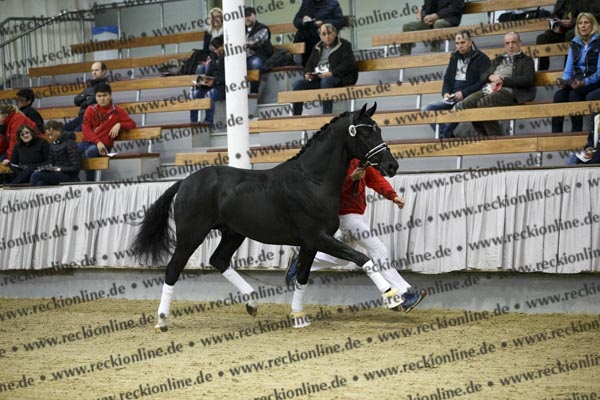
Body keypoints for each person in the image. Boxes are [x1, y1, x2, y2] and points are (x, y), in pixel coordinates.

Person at [286, 159, 426, 313]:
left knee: (340, 259)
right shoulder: (336, 162)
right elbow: (329, 190)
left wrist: (393, 196)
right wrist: (351, 178)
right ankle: (404, 294)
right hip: (347, 218)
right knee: (379, 250)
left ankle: (301, 261)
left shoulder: (361, 161)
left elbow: (376, 180)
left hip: (355, 217)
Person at [457, 32, 536, 136]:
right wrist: (490, 76)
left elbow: (527, 80)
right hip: (491, 88)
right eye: (507, 43)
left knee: (485, 102)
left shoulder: (526, 60)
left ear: (520, 43)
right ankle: (484, 135)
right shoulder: (499, 59)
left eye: (513, 42)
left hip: (511, 90)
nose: (510, 46)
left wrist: (503, 81)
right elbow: (484, 75)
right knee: (468, 102)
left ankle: (495, 137)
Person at [422, 30, 490, 138]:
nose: (460, 46)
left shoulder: (482, 58)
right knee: (426, 109)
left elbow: (483, 82)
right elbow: (447, 79)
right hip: (452, 97)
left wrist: (463, 93)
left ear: (470, 42)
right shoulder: (454, 58)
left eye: (463, 42)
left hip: (468, 96)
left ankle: (444, 137)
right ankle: (447, 136)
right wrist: (446, 93)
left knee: (458, 106)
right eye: (457, 43)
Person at [292, 23, 358, 116]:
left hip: (340, 76)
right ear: (320, 36)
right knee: (298, 85)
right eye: (324, 34)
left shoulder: (344, 45)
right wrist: (307, 74)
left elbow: (348, 64)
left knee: (326, 82)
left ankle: (326, 115)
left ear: (335, 33)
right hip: (320, 77)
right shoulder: (317, 47)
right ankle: (296, 116)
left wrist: (331, 73)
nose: (327, 36)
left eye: (329, 33)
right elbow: (309, 64)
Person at [552, 13, 600, 133]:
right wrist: (564, 80)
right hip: (577, 81)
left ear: (593, 25)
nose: (583, 26)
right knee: (559, 96)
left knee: (574, 94)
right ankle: (555, 134)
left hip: (594, 81)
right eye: (580, 23)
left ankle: (576, 132)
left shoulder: (598, 42)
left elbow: (599, 72)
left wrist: (584, 82)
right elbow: (568, 69)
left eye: (586, 23)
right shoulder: (574, 43)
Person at [79, 82, 136, 181]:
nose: (102, 99)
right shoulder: (90, 109)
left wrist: (119, 124)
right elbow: (85, 128)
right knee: (73, 152)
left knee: (90, 152)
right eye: (99, 96)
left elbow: (132, 124)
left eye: (105, 95)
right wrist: (98, 142)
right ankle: (74, 179)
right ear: (95, 97)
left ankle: (90, 181)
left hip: (105, 146)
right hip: (89, 142)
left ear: (110, 96)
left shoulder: (118, 111)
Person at [537, 1, 600, 70]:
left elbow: (594, 15)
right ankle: (542, 71)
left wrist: (572, 22)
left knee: (569, 35)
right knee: (542, 38)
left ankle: (568, 69)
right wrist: (556, 23)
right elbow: (554, 15)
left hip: (579, 29)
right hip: (562, 30)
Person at [293, 0, 344, 66]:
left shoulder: (332, 3)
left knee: (315, 37)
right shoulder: (307, 2)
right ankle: (301, 62)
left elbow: (340, 22)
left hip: (323, 34)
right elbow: (296, 21)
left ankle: (309, 65)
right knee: (301, 34)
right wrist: (302, 20)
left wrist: (323, 23)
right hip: (307, 33)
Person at [30, 121, 80, 186]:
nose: (50, 137)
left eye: (51, 134)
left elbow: (75, 167)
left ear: (58, 130)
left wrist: (58, 169)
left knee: (36, 175)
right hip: (57, 173)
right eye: (48, 135)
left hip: (69, 176)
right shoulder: (52, 145)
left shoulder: (70, 143)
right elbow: (51, 163)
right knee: (40, 183)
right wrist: (46, 168)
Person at [190, 36, 226, 127]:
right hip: (211, 85)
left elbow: (228, 77)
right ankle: (193, 122)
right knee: (194, 94)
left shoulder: (228, 58)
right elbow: (210, 73)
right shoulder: (213, 56)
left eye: (217, 48)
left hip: (222, 87)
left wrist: (215, 81)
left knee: (209, 95)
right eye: (214, 49)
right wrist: (203, 80)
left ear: (223, 46)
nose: (216, 51)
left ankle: (208, 122)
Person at [64, 61, 109, 132]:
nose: (94, 73)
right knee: (63, 129)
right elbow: (76, 100)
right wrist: (85, 98)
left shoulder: (104, 86)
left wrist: (84, 100)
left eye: (97, 70)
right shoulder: (89, 86)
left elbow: (91, 101)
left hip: (92, 118)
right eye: (92, 70)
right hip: (82, 116)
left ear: (103, 72)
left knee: (74, 133)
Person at [244, 7, 274, 94]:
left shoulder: (263, 28)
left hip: (259, 56)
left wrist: (240, 42)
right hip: (243, 58)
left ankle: (254, 92)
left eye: (249, 15)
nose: (247, 18)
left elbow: (255, 41)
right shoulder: (240, 30)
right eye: (245, 16)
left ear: (255, 16)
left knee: (255, 63)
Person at [196, 7, 223, 76]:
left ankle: (211, 82)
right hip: (210, 57)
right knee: (200, 68)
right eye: (213, 17)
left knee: (209, 66)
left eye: (217, 17)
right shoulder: (208, 32)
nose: (215, 19)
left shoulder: (226, 30)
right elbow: (205, 49)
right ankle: (200, 84)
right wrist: (207, 59)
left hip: (222, 57)